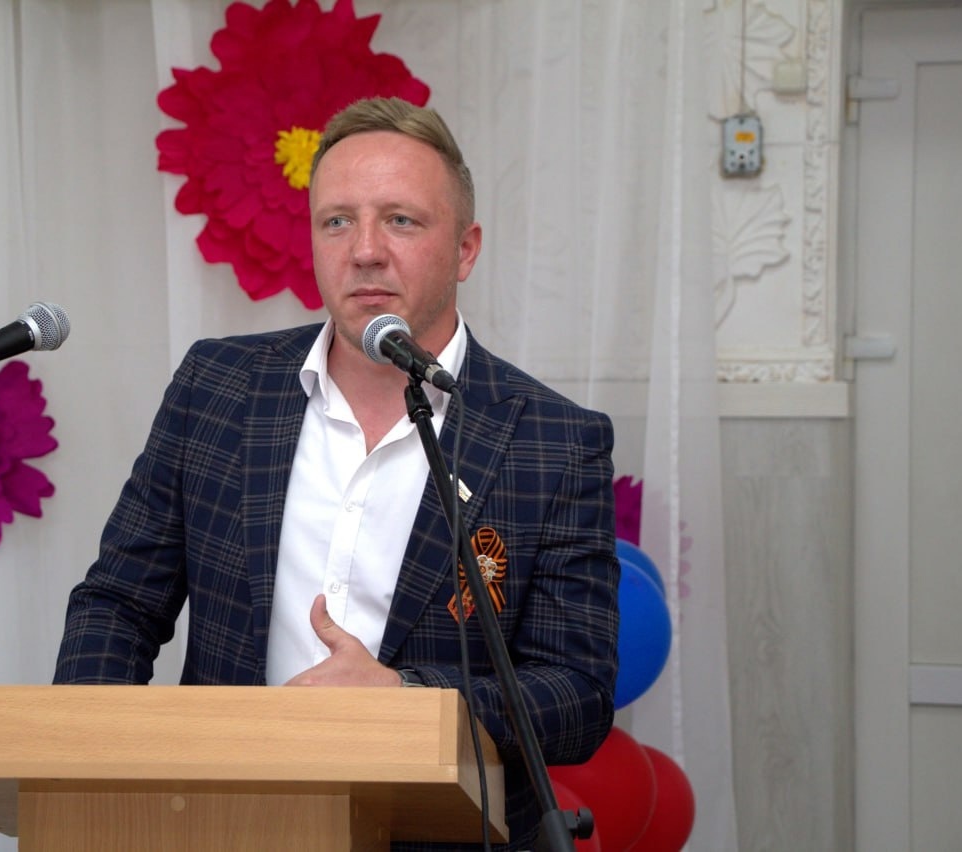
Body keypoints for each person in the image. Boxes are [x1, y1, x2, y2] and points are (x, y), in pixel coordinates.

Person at [55, 96, 619, 851]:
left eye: (401, 220)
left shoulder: (554, 440)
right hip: (220, 826)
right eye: (338, 221)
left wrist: (406, 700)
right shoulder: (217, 387)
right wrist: (93, 766)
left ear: (466, 249)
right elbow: (118, 604)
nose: (365, 250)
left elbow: (577, 694)